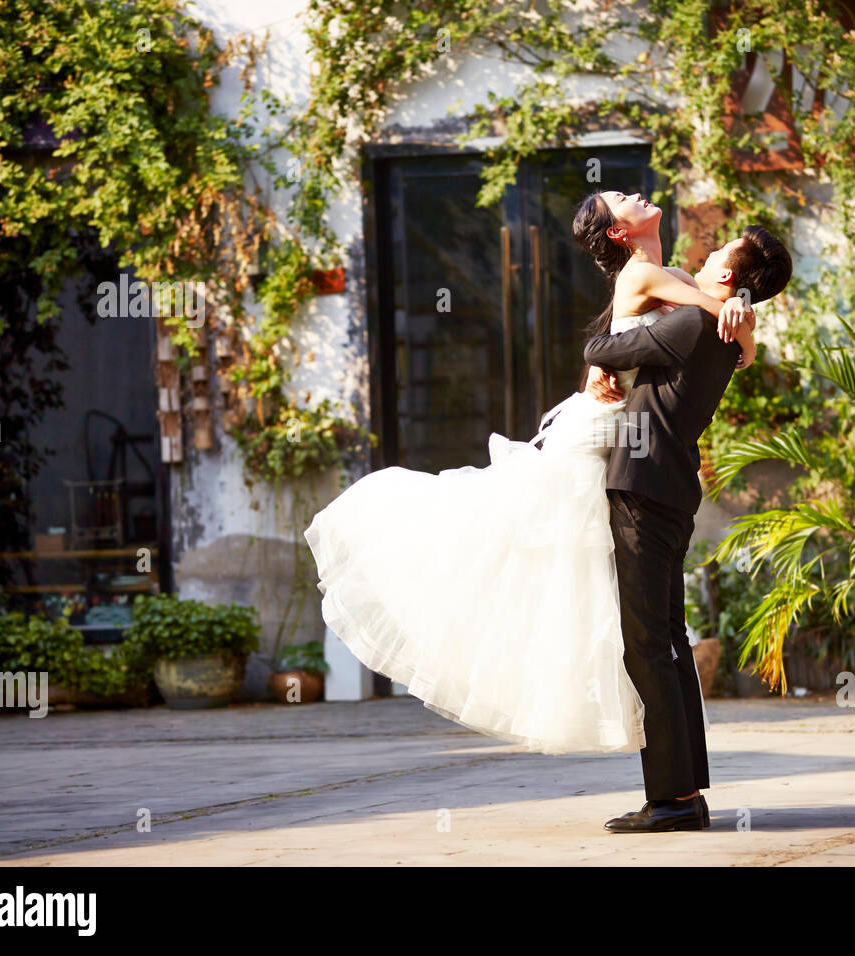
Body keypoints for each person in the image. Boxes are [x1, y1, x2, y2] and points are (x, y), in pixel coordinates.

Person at [303, 188, 756, 762]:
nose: (635, 194)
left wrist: (741, 308)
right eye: (620, 198)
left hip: (626, 437)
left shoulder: (668, 274)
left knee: (617, 601)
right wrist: (738, 308)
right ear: (618, 232)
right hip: (598, 429)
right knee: (531, 535)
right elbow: (714, 318)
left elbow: (726, 326)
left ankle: (672, 783)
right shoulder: (641, 275)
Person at [581, 218, 793, 833]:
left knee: (648, 647)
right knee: (669, 647)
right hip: (671, 491)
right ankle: (684, 794)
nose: (705, 254)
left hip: (642, 490)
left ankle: (671, 801)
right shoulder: (723, 330)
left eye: (717, 252)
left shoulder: (694, 321)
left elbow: (602, 349)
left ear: (726, 275)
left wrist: (606, 355)